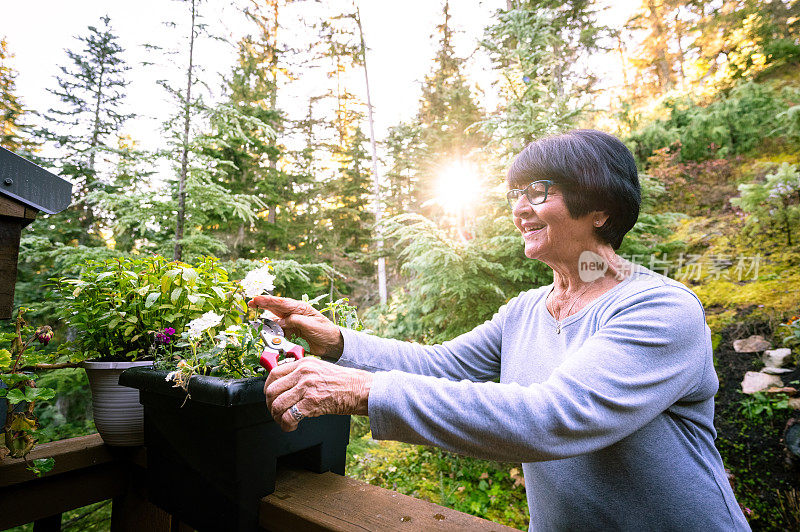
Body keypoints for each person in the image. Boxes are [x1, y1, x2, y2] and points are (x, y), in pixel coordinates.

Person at [249, 129, 750, 531]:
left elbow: (554, 417)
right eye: (516, 194)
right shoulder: (526, 311)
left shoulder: (659, 308)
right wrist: (338, 342)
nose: (519, 208)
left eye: (540, 192)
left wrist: (364, 390)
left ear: (603, 209)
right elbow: (442, 365)